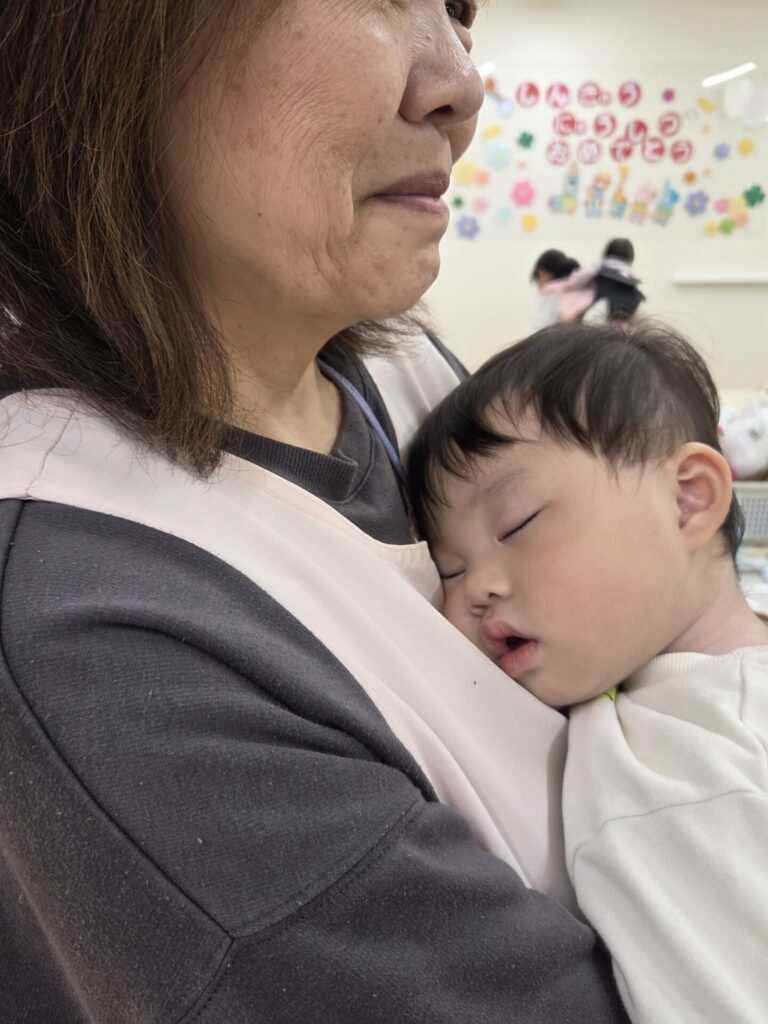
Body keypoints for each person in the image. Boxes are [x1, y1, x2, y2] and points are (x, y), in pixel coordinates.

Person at [0, 3, 628, 1022]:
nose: (461, 87)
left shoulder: (409, 374)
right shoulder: (93, 623)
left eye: (457, 9)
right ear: (104, 45)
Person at [407, 320, 768, 1023]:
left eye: (516, 525)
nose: (472, 590)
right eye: (447, 569)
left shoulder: (692, 765)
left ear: (688, 499)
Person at [529, 248, 587, 331]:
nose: (538, 288)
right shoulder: (577, 291)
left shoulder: (549, 293)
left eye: (538, 281)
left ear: (541, 273)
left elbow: (539, 327)